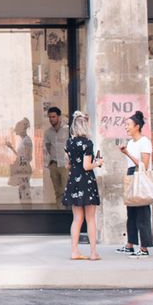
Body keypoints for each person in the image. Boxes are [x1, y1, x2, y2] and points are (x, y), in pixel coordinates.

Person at [62, 111, 103, 260]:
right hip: (86, 181)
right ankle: (93, 252)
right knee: (90, 218)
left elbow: (67, 164)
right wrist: (98, 163)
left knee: (77, 218)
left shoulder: (69, 143)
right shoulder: (87, 143)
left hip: (74, 181)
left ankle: (74, 251)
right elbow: (87, 166)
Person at [119, 111, 153, 258]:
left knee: (142, 213)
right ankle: (130, 244)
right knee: (131, 212)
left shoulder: (144, 142)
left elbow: (144, 165)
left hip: (140, 175)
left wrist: (127, 153)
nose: (126, 127)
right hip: (131, 174)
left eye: (128, 125)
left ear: (137, 126)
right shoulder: (131, 142)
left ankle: (144, 247)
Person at [44, 107, 68, 207]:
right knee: (58, 192)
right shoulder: (48, 132)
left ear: (59, 117)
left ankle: (68, 216)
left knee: (67, 191)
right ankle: (60, 213)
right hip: (54, 164)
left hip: (65, 165)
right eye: (49, 117)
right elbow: (48, 147)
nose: (51, 119)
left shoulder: (67, 129)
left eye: (53, 117)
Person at [6, 118, 34, 202]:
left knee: (25, 193)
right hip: (22, 167)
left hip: (24, 168)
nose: (16, 132)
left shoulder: (26, 140)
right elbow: (21, 156)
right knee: (22, 192)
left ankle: (27, 212)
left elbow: (28, 157)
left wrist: (20, 164)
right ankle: (25, 211)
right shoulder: (23, 140)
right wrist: (11, 148)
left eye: (17, 129)